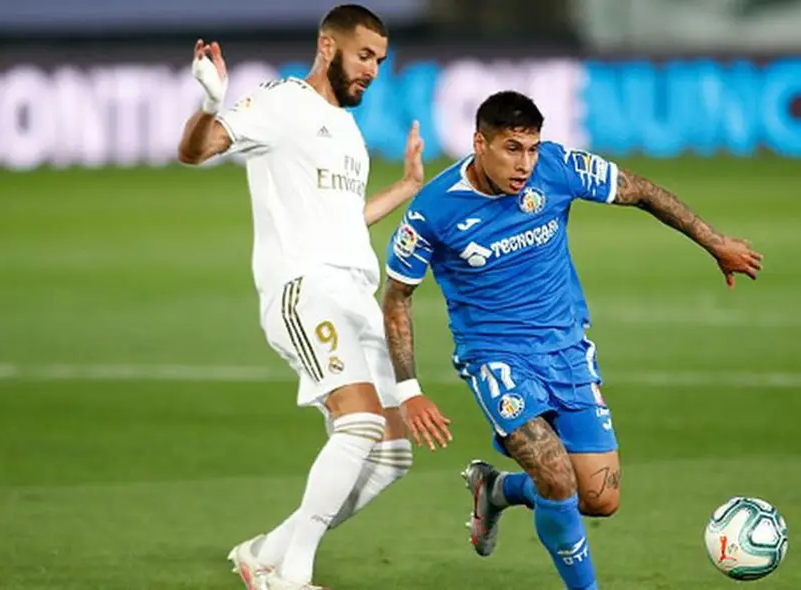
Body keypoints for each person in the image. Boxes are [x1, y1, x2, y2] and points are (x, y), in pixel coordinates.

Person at [381, 90, 763, 589]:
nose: (525, 164)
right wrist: (409, 391)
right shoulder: (434, 209)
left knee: (599, 500)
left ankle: (496, 490)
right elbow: (397, 297)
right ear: (480, 143)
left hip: (567, 351)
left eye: (533, 148)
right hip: (496, 359)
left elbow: (640, 189)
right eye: (513, 148)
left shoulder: (556, 169)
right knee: (556, 476)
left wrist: (716, 243)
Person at [176, 5, 451, 590]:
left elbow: (346, 220)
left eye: (380, 59)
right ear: (329, 47)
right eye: (365, 55)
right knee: (357, 427)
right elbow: (196, 152)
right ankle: (292, 577)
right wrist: (208, 104)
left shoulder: (347, 130)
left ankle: (266, 551)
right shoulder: (279, 102)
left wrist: (405, 188)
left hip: (355, 294)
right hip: (303, 289)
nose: (374, 70)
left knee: (392, 456)